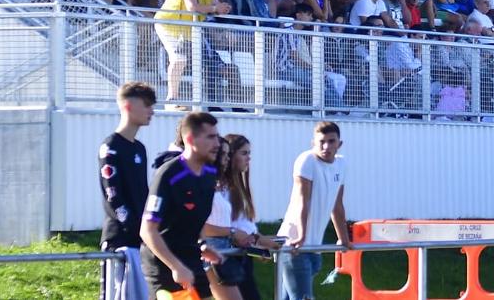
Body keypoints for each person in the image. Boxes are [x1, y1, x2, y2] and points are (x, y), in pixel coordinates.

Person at [141, 111, 225, 300]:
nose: (217, 144)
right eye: (210, 137)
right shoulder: (169, 175)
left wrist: (203, 244)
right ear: (189, 139)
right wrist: (175, 267)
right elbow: (147, 231)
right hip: (164, 266)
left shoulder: (210, 173)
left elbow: (196, 217)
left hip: (191, 259)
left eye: (217, 137)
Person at [277, 122, 352, 300]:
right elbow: (304, 200)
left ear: (339, 144)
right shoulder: (307, 160)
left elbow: (337, 204)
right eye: (321, 142)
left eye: (331, 141)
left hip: (314, 246)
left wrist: (343, 237)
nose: (326, 147)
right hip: (295, 243)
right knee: (303, 297)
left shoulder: (341, 164)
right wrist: (302, 236)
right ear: (313, 143)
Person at [99, 82, 156, 300]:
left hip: (141, 240)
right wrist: (135, 225)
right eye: (147, 104)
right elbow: (112, 196)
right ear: (128, 105)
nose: (151, 111)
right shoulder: (110, 147)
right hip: (120, 241)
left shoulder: (139, 148)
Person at [154, 0, 233, 105]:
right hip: (169, 24)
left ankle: (209, 102)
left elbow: (213, 5)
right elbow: (192, 7)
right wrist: (215, 8)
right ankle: (172, 97)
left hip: (189, 29)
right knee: (179, 58)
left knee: (208, 61)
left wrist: (222, 8)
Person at [202, 133, 267, 300]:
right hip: (221, 253)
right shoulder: (217, 186)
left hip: (236, 252)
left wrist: (258, 241)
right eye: (244, 153)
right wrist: (240, 236)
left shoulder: (234, 185)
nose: (248, 158)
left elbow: (244, 225)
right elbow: (215, 224)